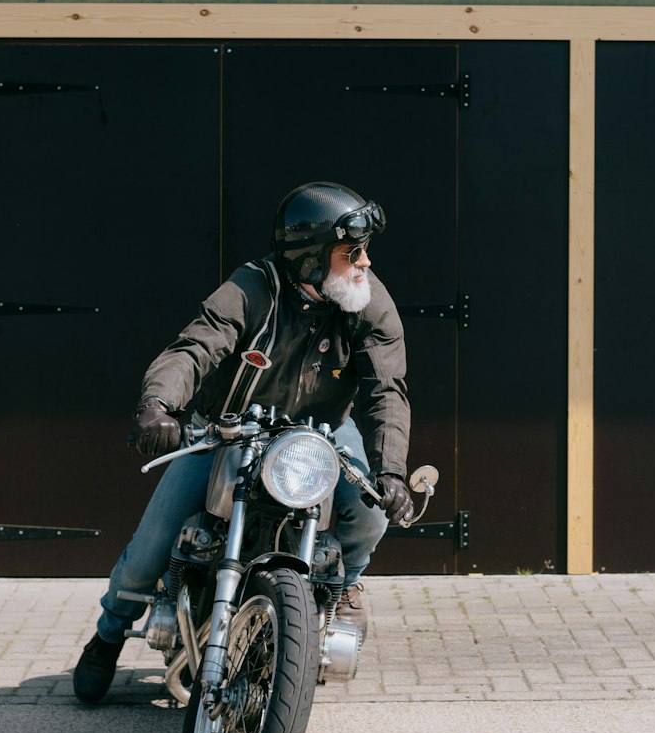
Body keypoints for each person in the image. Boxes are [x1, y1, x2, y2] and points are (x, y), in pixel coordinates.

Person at [73, 181, 414, 703]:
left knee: (370, 511)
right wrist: (158, 406)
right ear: (312, 257)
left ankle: (345, 584)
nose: (366, 262)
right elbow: (197, 345)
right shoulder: (253, 288)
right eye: (354, 252)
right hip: (230, 428)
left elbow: (385, 390)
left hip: (320, 435)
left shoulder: (368, 302)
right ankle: (109, 634)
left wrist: (391, 470)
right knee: (150, 547)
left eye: (365, 251)